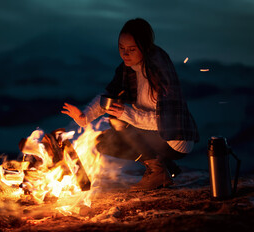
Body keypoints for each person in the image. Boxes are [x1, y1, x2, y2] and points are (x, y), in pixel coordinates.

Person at [61, 18, 199, 191]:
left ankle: (157, 171)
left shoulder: (159, 70)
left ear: (145, 47)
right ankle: (166, 168)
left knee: (118, 121)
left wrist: (125, 114)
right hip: (157, 134)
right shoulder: (128, 68)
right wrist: (84, 116)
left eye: (132, 49)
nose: (125, 54)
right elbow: (108, 95)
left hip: (175, 140)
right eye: (121, 48)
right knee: (103, 142)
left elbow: (164, 121)